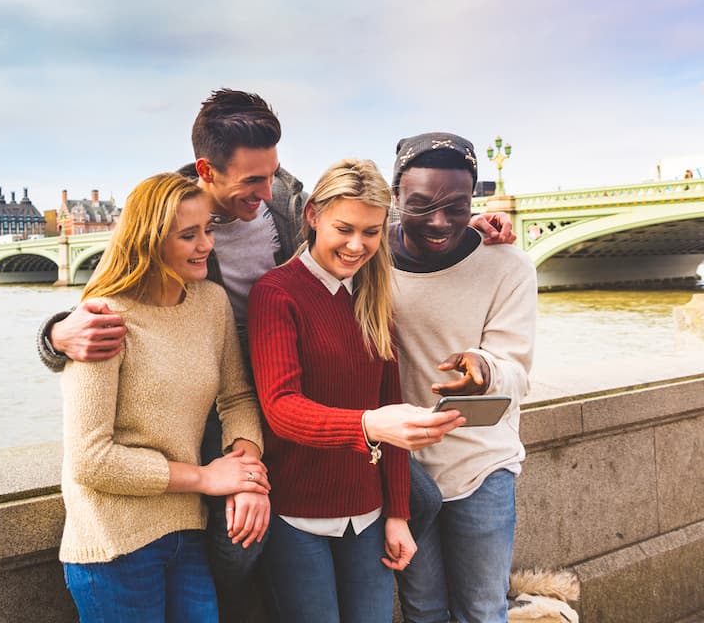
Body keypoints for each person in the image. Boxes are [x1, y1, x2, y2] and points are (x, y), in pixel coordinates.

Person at [37, 89, 516, 621]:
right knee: (239, 535)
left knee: (417, 499)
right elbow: (119, 286)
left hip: (262, 378)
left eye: (273, 174)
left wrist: (447, 224)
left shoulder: (287, 200)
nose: (266, 193)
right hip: (217, 389)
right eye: (252, 181)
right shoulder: (171, 213)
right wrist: (56, 333)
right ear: (207, 171)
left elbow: (351, 221)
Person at [247, 159, 464, 623]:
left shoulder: (374, 299)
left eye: (371, 232)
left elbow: (394, 415)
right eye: (344, 228)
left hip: (368, 514)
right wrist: (368, 425)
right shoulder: (276, 293)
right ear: (312, 216)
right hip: (296, 517)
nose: (356, 245)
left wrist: (398, 514)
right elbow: (282, 410)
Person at [59, 172, 269, 622]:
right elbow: (90, 459)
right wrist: (206, 479)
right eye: (188, 235)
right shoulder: (104, 317)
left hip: (187, 532)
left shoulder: (212, 303)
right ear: (150, 241)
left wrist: (245, 470)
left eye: (208, 230)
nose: (206, 246)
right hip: (114, 543)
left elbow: (237, 398)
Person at [388, 133, 537, 623]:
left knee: (482, 611)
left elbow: (516, 369)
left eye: (456, 206)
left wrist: (484, 369)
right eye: (421, 205)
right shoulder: (366, 262)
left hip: (482, 466)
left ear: (473, 199)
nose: (438, 221)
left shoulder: (508, 264)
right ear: (394, 198)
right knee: (422, 611)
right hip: (403, 469)